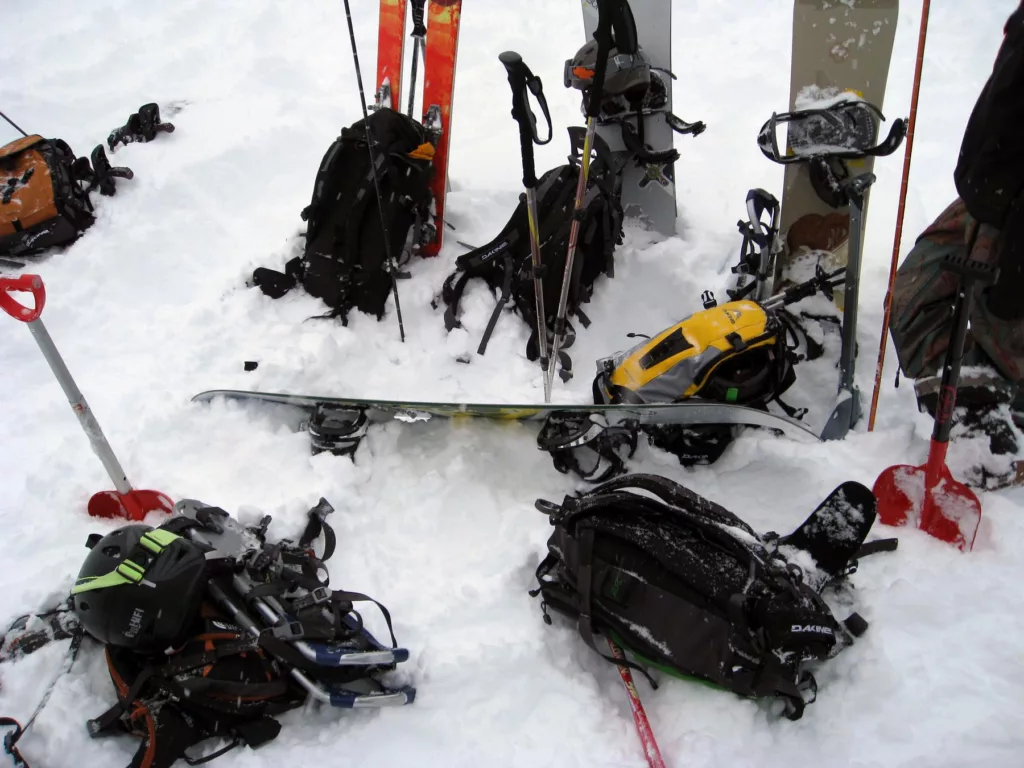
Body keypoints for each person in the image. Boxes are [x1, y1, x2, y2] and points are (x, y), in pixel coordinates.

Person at [889, 2, 1024, 489]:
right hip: (996, 184)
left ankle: (991, 438)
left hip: (1008, 204)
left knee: (997, 321)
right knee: (917, 295)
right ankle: (979, 414)